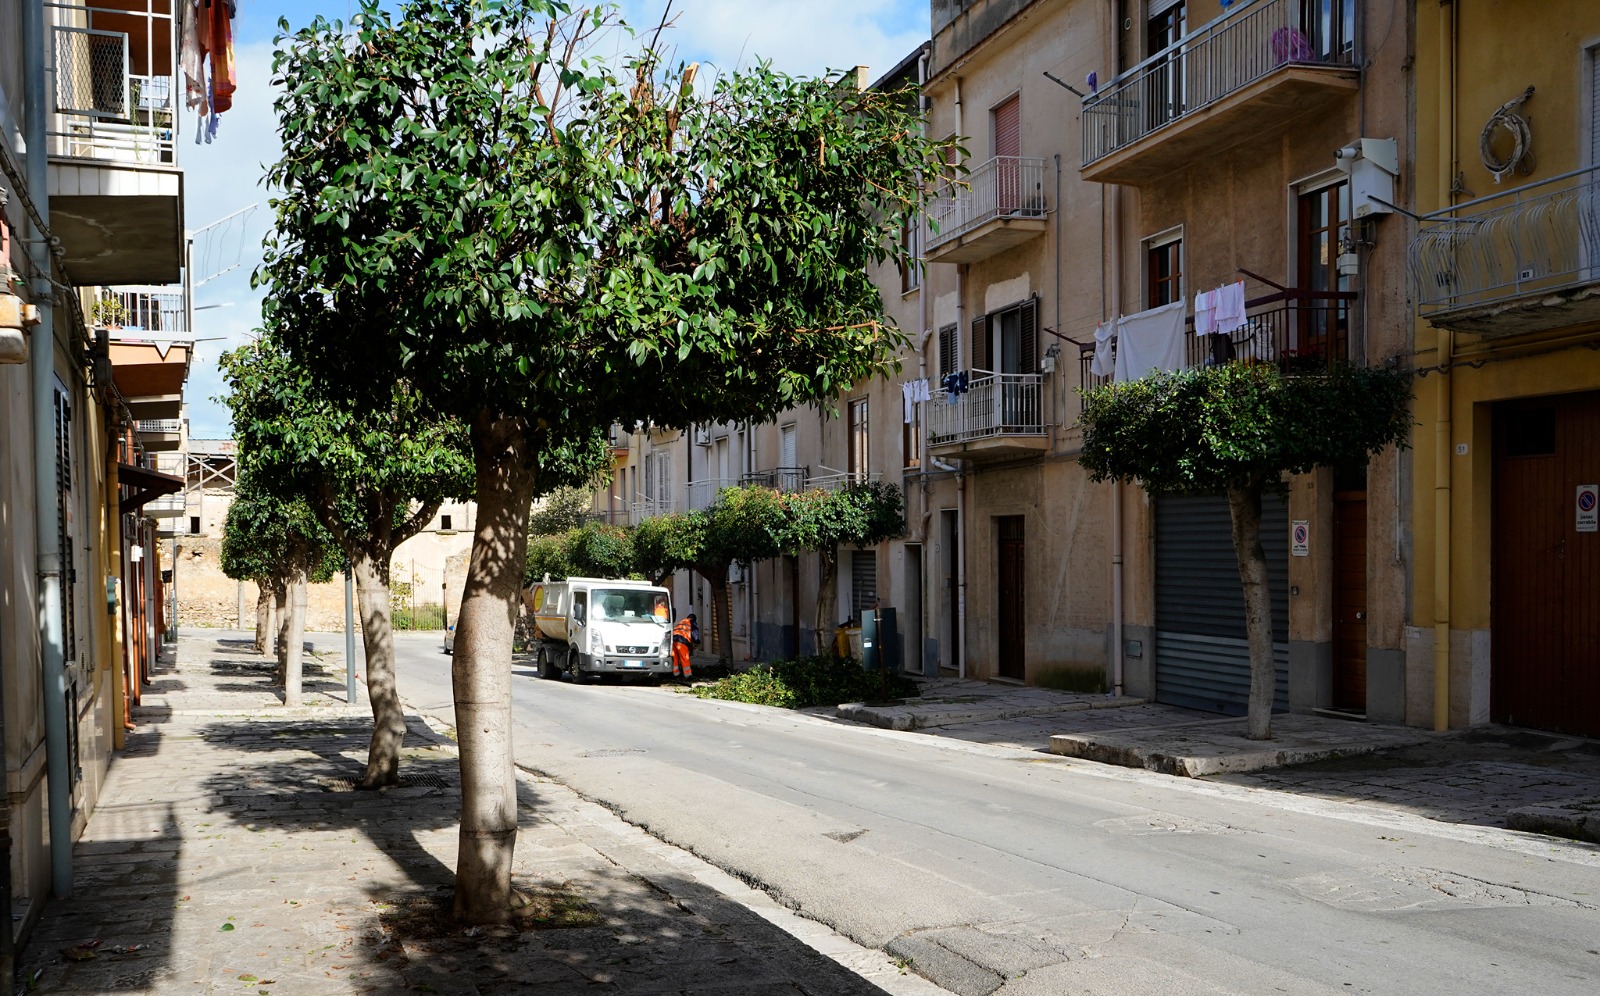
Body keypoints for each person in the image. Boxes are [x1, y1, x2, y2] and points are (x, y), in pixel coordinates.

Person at [672, 612, 696, 681]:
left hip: (673, 640)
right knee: (685, 657)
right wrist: (697, 642)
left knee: (675, 657)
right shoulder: (692, 622)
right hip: (681, 641)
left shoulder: (682, 621)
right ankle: (688, 675)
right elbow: (695, 635)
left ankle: (676, 674)